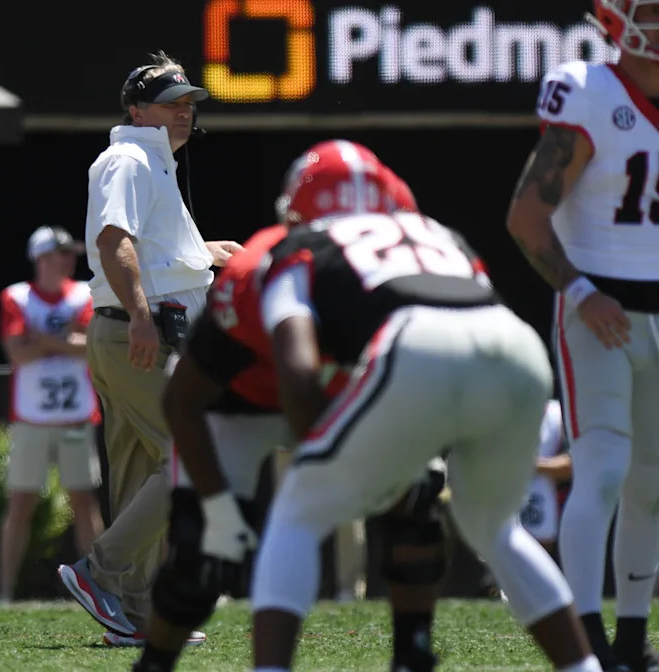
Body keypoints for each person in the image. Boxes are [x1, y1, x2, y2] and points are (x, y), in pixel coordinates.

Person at [243, 190, 603, 669]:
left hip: (416, 345)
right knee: (495, 528)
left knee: (297, 507)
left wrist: (325, 458)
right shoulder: (436, 233)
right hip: (515, 343)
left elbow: (300, 369)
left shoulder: (304, 244)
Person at [133, 140, 450, 672]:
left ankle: (412, 651)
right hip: (237, 404)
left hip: (326, 401)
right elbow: (184, 399)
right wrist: (215, 510)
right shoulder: (264, 268)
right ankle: (156, 662)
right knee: (203, 557)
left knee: (417, 501)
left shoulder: (403, 271)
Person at [58, 50, 243, 645]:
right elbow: (114, 243)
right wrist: (140, 316)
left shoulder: (150, 161)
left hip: (128, 330)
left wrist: (200, 253)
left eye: (188, 103)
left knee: (142, 471)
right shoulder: (130, 158)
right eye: (171, 103)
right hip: (135, 331)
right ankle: (100, 572)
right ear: (137, 109)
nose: (184, 112)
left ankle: (134, 615)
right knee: (193, 457)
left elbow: (146, 245)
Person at [506, 2, 659, 669]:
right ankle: (584, 637)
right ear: (621, 22)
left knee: (652, 484)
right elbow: (525, 217)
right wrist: (582, 292)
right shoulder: (590, 93)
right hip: (600, 306)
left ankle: (631, 637)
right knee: (598, 471)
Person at [0, 225, 104, 602]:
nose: (70, 260)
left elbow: (90, 345)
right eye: (62, 253)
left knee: (84, 503)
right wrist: (63, 341)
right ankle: (6, 593)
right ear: (41, 257)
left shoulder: (83, 294)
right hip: (32, 417)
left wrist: (39, 339)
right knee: (20, 504)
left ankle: (100, 589)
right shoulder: (17, 297)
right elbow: (16, 352)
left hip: (75, 415)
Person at [520, 400, 572, 556]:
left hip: (543, 515)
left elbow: (573, 465)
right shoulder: (498, 409)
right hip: (502, 511)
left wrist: (534, 466)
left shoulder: (558, 414)